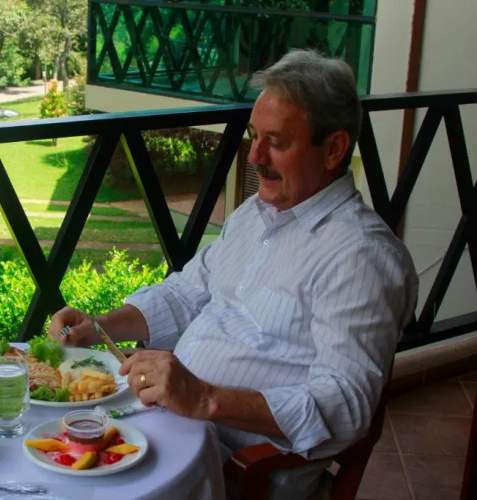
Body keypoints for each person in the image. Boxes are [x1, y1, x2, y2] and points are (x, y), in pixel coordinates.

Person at [48, 49, 418, 499]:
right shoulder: (256, 214)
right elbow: (185, 294)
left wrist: (204, 398)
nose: (255, 154)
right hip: (164, 426)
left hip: (235, 473)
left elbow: (344, 406)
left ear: (334, 149)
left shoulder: (361, 258)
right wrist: (99, 326)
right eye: (254, 135)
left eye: (276, 142)